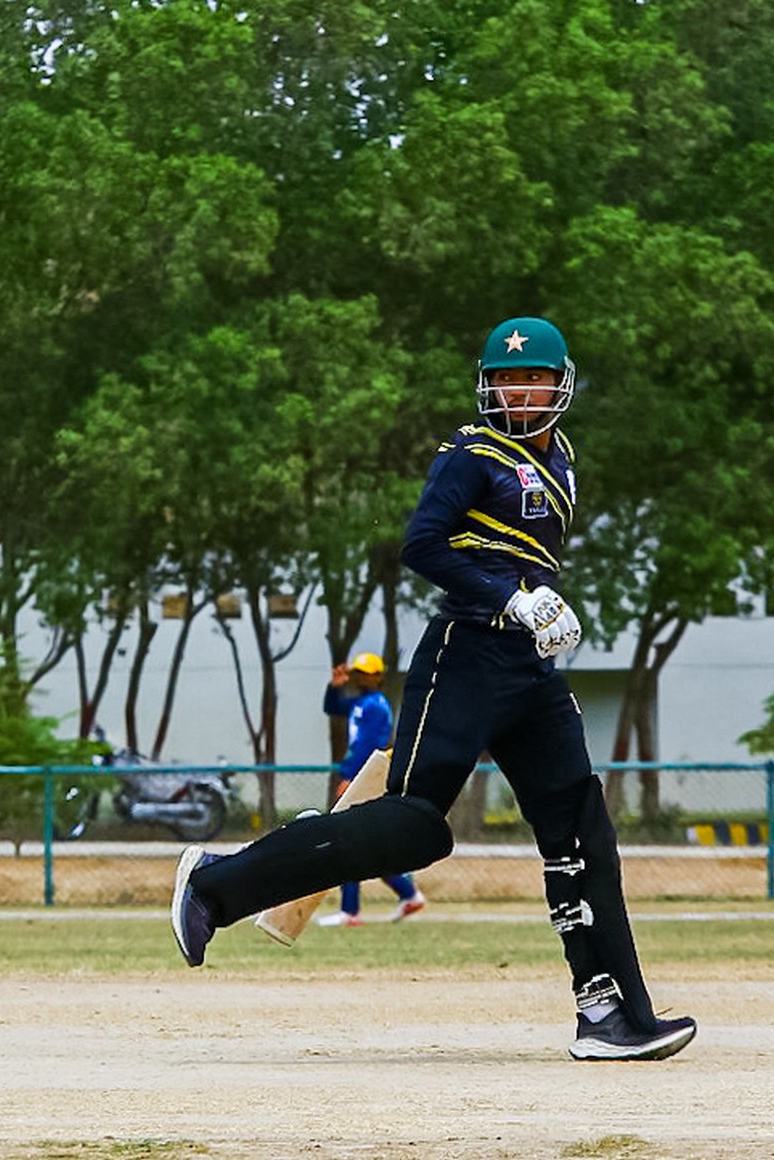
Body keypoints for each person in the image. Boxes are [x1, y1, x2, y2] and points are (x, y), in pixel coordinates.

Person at [172, 317, 696, 1061]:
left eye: (534, 379)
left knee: (582, 830)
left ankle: (610, 1013)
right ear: (488, 386)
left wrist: (540, 610)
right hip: (466, 654)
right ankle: (215, 884)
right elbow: (422, 543)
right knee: (414, 827)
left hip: (529, 668)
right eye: (507, 380)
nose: (520, 393)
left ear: (560, 384)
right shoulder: (472, 454)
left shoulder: (563, 458)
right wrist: (511, 598)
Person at [317, 653, 424, 927]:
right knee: (366, 845)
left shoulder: (376, 706)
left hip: (363, 778)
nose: (360, 679)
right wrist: (334, 687)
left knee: (347, 841)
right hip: (360, 776)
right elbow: (333, 707)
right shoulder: (361, 703)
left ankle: (350, 911)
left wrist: (351, 778)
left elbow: (368, 746)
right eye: (358, 674)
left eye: (366, 674)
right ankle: (408, 894)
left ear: (378, 677)